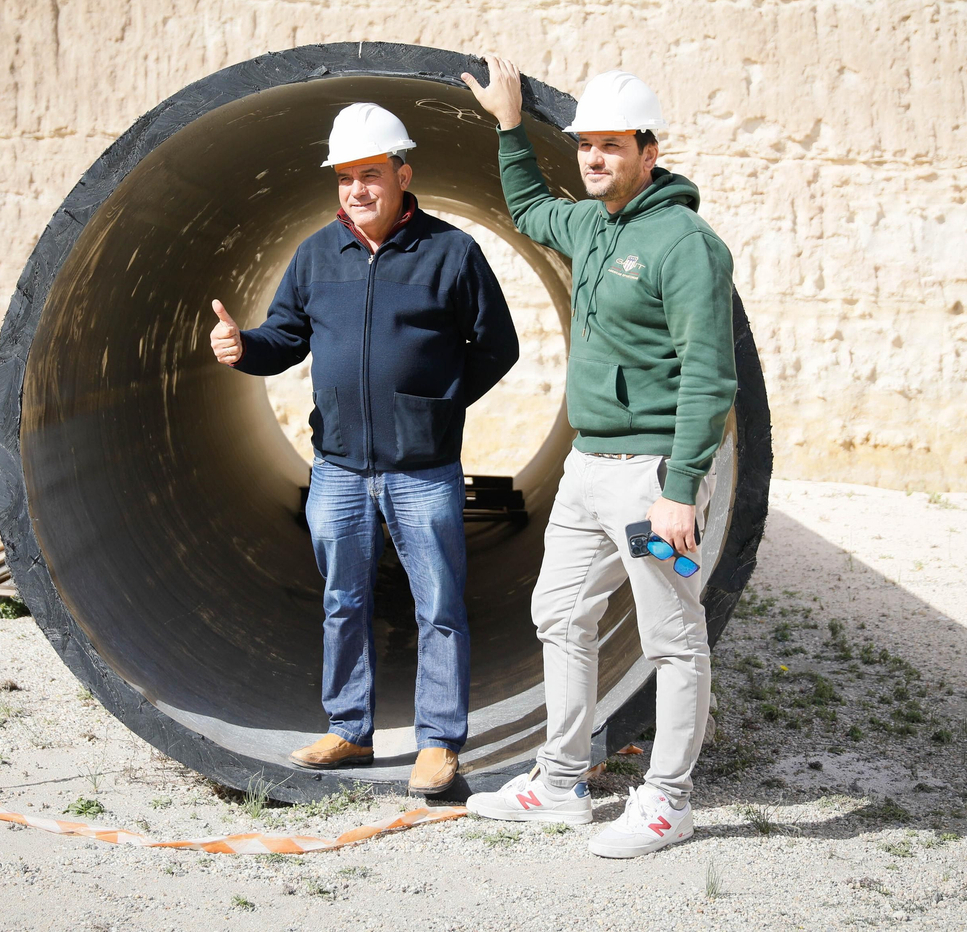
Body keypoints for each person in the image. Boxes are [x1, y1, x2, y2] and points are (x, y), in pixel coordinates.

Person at [459, 58, 737, 856]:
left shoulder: (685, 245)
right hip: (586, 471)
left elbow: (709, 378)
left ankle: (668, 800)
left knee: (671, 637)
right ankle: (560, 783)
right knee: (559, 614)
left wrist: (682, 489)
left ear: (650, 152)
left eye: (612, 145)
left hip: (653, 478)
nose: (593, 158)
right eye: (586, 145)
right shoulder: (589, 225)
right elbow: (527, 208)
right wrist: (510, 127)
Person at [208, 102, 519, 796]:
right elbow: (284, 338)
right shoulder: (317, 254)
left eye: (371, 174)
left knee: (438, 606)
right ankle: (349, 728)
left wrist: (437, 405)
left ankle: (438, 743)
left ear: (403, 175)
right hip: (339, 469)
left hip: (423, 470)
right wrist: (242, 347)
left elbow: (498, 345)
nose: (357, 189)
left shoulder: (452, 253)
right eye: (345, 177)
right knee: (342, 601)